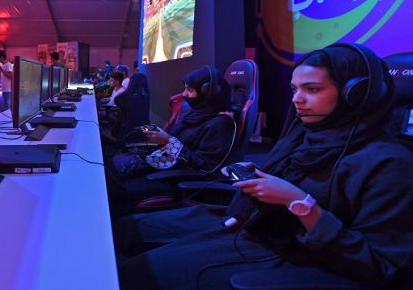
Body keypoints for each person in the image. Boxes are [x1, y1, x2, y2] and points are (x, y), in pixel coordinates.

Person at [115, 44, 413, 289]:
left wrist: (299, 202)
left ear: (356, 95)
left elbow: (381, 266)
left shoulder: (389, 164)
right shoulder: (305, 135)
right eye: (295, 89)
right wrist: (263, 179)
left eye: (311, 89)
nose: (297, 100)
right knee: (125, 249)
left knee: (135, 276)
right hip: (259, 231)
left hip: (301, 259)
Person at [106, 67, 236, 211]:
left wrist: (168, 141)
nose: (184, 94)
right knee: (106, 166)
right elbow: (179, 142)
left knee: (109, 185)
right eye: (185, 88)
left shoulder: (221, 123)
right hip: (163, 164)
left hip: (176, 178)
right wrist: (160, 136)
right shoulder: (197, 114)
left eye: (190, 90)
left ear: (208, 92)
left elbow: (205, 166)